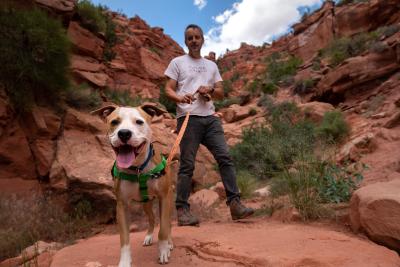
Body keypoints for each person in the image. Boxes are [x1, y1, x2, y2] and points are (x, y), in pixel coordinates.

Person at [164, 24, 254, 226]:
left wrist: (210, 90)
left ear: (203, 39)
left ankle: (235, 205)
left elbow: (222, 91)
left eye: (197, 37)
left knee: (225, 157)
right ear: (185, 41)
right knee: (187, 165)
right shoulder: (177, 62)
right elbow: (168, 89)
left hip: (211, 118)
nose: (194, 40)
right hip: (188, 118)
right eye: (190, 38)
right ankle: (183, 211)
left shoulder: (212, 66)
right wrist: (179, 97)